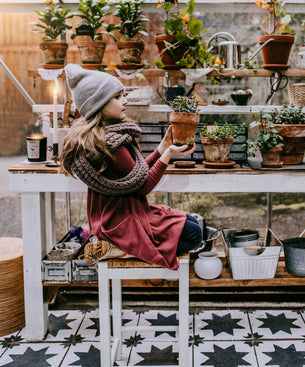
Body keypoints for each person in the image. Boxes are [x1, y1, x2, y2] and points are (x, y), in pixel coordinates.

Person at [60, 63, 203, 270]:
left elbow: (134, 175)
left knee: (190, 222)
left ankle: (115, 244)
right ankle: (119, 247)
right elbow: (142, 185)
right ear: (99, 104)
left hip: (112, 217)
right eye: (117, 97)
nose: (125, 101)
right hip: (120, 223)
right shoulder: (111, 142)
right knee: (194, 233)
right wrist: (168, 155)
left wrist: (162, 148)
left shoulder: (101, 134)